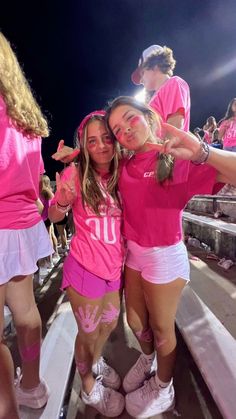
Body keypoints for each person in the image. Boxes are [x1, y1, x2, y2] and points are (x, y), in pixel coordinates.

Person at [104, 96, 236, 418]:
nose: (124, 132)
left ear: (149, 117)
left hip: (164, 255)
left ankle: (164, 387)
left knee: (163, 329)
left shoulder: (173, 159)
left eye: (130, 120)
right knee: (135, 322)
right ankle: (147, 358)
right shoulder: (124, 164)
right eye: (117, 130)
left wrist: (203, 152)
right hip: (133, 254)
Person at [49, 111, 125, 417]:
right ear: (85, 145)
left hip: (114, 269)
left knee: (109, 324)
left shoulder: (124, 172)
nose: (102, 146)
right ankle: (89, 385)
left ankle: (95, 361)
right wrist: (63, 199)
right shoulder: (74, 174)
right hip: (84, 268)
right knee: (89, 332)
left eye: (107, 138)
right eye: (92, 141)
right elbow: (55, 217)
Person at [0, 32, 52, 419]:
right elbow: (35, 181)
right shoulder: (25, 116)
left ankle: (7, 409)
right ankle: (32, 386)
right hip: (21, 223)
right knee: (26, 312)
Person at [131, 44, 191, 131]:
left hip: (168, 145)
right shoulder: (154, 97)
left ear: (155, 66)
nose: (141, 81)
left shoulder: (173, 83)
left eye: (142, 73)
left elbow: (174, 127)